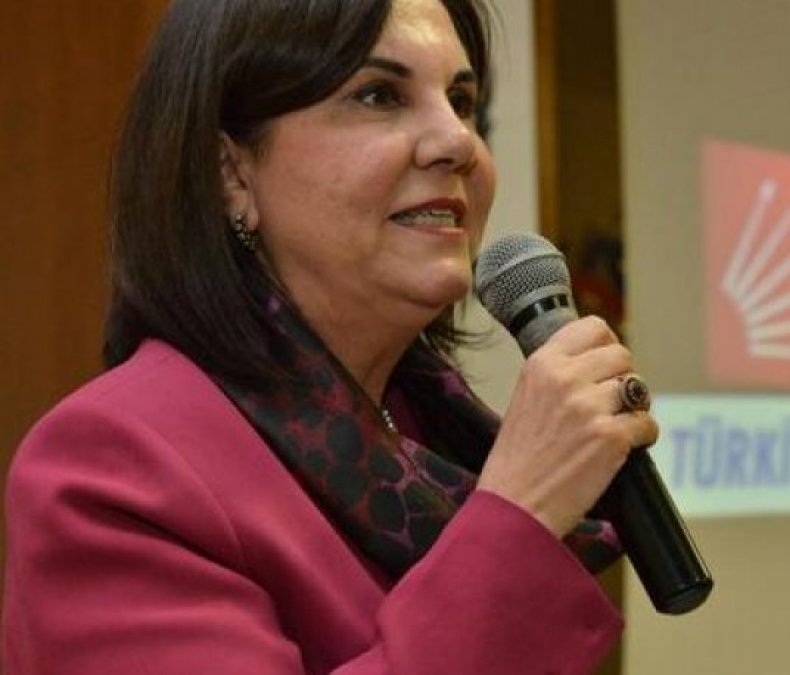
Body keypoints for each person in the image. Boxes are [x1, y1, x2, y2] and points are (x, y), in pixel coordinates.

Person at [2, 0, 658, 672]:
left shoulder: (434, 434)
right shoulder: (114, 466)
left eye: (462, 102)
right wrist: (521, 511)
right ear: (231, 173)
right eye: (379, 95)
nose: (458, 141)